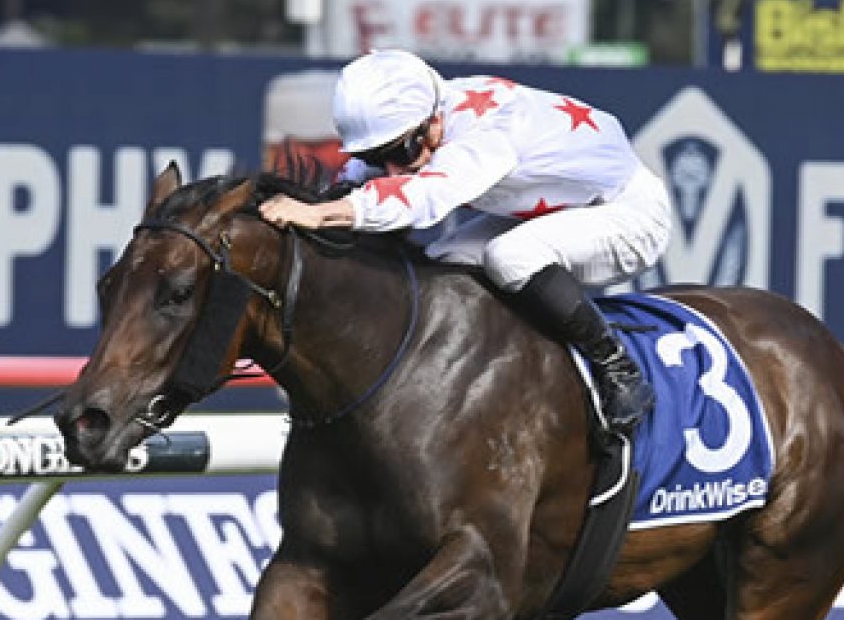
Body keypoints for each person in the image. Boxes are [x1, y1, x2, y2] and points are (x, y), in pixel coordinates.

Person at [259, 49, 673, 437]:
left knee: (510, 257)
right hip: (554, 209)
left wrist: (317, 213)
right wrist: (326, 202)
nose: (390, 168)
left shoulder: (488, 133)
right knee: (443, 261)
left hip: (628, 213)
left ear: (435, 120)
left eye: (401, 151)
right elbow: (356, 180)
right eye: (376, 155)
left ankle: (616, 367)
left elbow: (422, 200)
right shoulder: (423, 115)